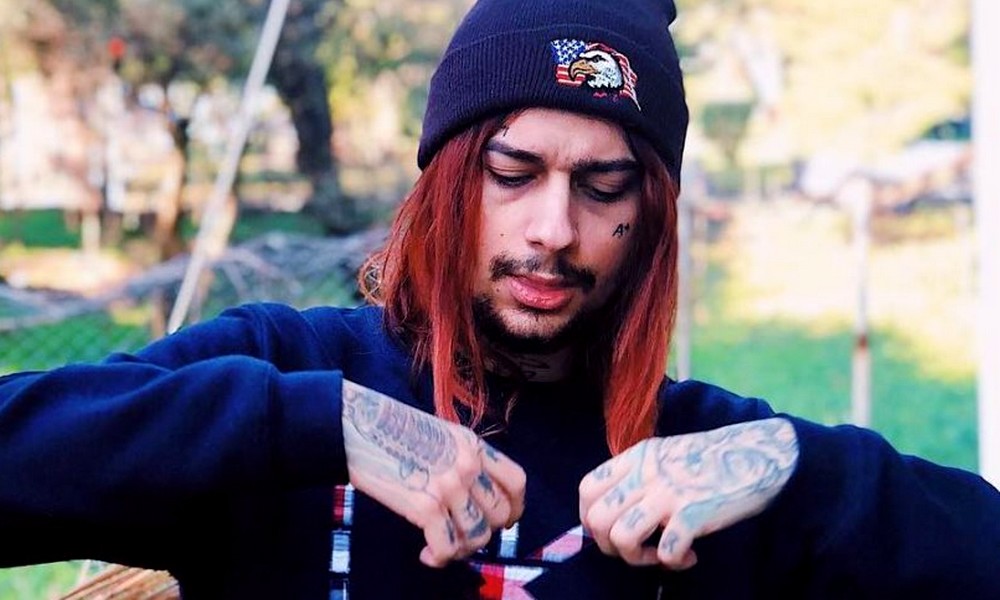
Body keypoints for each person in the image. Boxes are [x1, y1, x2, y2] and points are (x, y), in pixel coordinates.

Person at [2, 0, 999, 598]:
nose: (553, 228)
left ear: (650, 217)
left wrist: (800, 469)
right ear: (446, 182)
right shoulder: (287, 374)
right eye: (512, 173)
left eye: (604, 187)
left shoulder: (705, 465)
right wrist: (313, 423)